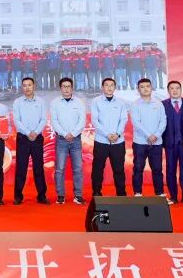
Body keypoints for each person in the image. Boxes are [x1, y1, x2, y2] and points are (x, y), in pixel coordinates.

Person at [12, 77, 48, 205]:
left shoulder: (41, 102)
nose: (27, 87)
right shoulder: (17, 102)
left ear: (34, 86)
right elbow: (17, 120)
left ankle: (42, 196)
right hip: (23, 138)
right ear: (22, 87)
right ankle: (18, 196)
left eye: (29, 85)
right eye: (24, 85)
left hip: (37, 138)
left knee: (38, 168)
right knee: (21, 168)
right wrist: (28, 133)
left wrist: (36, 132)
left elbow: (43, 119)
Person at [130, 78, 168, 201]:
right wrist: (148, 135)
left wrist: (156, 135)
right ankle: (137, 193)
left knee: (157, 169)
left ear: (151, 88)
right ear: (138, 89)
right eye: (142, 87)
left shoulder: (158, 103)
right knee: (138, 168)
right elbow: (136, 122)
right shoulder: (135, 104)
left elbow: (163, 121)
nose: (145, 89)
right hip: (140, 142)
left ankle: (160, 194)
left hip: (156, 142)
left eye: (147, 86)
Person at [50, 77, 86, 205]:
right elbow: (54, 121)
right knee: (60, 169)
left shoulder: (79, 103)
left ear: (72, 88)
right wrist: (65, 134)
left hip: (76, 140)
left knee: (78, 169)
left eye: (68, 86)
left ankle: (78, 195)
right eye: (64, 86)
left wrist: (73, 133)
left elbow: (82, 121)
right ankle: (60, 195)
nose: (66, 89)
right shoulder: (55, 103)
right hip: (61, 140)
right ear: (60, 88)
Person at [90, 78, 128, 197]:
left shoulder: (121, 102)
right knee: (98, 169)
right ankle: (97, 193)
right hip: (101, 141)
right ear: (102, 87)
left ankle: (121, 194)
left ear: (115, 87)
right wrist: (107, 134)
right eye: (106, 85)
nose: (109, 87)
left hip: (118, 141)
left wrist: (117, 134)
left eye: (112, 85)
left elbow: (124, 119)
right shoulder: (96, 101)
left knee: (119, 169)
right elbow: (95, 120)